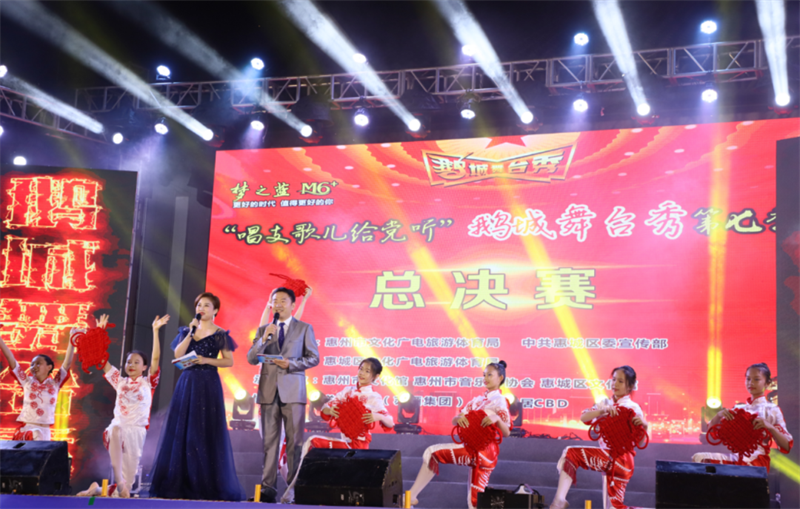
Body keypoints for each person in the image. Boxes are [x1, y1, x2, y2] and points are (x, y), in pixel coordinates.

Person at [149, 293, 245, 501]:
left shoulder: (220, 334)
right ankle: (180, 482)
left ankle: (205, 484)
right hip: (188, 382)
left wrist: (206, 360)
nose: (201, 308)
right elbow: (178, 355)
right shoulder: (187, 330)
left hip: (208, 384)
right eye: (199, 305)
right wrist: (190, 333)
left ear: (215, 310)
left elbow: (228, 361)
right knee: (183, 430)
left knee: (203, 430)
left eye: (207, 305)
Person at [280, 357, 394, 503]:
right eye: (361, 369)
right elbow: (325, 408)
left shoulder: (373, 397)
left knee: (312, 441)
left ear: (375, 377)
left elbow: (390, 422)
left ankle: (291, 494)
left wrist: (378, 416)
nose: (362, 373)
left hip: (357, 447)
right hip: (344, 443)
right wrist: (330, 410)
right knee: (313, 448)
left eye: (367, 371)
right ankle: (302, 493)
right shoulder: (347, 391)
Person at [77, 314, 166, 498]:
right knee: (116, 430)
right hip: (118, 428)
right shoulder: (119, 380)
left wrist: (156, 331)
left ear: (144, 367)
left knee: (124, 492)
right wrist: (100, 332)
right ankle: (118, 479)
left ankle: (97, 490)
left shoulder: (148, 382)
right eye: (128, 362)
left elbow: (156, 358)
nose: (131, 365)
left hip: (137, 431)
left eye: (136, 362)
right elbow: (102, 360)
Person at [247, 287, 319, 503]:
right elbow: (251, 358)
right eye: (274, 301)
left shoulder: (304, 328)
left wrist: (291, 364)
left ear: (293, 305)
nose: (277, 304)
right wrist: (263, 339)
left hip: (293, 393)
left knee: (295, 443)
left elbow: (314, 358)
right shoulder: (264, 329)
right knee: (269, 443)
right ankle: (267, 489)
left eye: (282, 301)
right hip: (268, 393)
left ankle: (293, 490)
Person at [408, 361, 511, 509]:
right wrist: (459, 419)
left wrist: (497, 418)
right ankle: (411, 497)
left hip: (483, 451)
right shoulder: (477, 400)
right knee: (474, 503)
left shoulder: (500, 401)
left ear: (500, 378)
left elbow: (506, 432)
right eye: (484, 375)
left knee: (432, 453)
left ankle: (411, 496)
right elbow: (455, 419)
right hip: (476, 451)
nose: (485, 378)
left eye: (490, 375)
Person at [550, 365, 649, 509]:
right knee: (613, 507)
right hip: (610, 460)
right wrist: (602, 411)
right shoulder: (605, 403)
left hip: (620, 460)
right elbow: (584, 418)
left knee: (570, 453)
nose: (615, 384)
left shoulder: (633, 408)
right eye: (613, 380)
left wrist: (645, 426)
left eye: (620, 381)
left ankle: (559, 500)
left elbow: (639, 442)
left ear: (630, 386)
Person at [692, 362, 792, 471]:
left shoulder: (772, 409)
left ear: (767, 383)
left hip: (757, 460)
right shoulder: (738, 409)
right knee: (698, 458)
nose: (751, 383)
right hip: (738, 458)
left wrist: (770, 427)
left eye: (756, 379)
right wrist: (718, 415)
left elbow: (786, 446)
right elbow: (712, 434)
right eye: (748, 379)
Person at [0, 323, 75, 441]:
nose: (34, 366)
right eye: (32, 364)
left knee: (43, 450)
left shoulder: (55, 384)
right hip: (29, 429)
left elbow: (67, 363)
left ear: (49, 367)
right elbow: (11, 359)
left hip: (46, 431)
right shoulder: (26, 382)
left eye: (38, 363)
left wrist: (72, 340)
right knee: (36, 435)